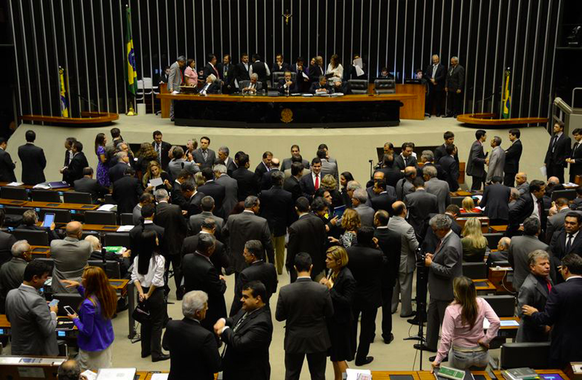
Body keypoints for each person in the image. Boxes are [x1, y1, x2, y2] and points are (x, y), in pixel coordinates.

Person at [276, 252, 334, 380]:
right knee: (318, 375)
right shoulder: (322, 290)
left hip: (294, 339)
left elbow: (279, 317)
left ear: (295, 268)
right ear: (311, 267)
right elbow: (329, 313)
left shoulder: (285, 291)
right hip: (317, 339)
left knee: (292, 374)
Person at [522, 253, 582, 368]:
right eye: (543, 264)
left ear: (565, 270)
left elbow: (547, 318)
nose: (547, 266)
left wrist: (534, 313)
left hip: (565, 345)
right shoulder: (533, 285)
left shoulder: (560, 290)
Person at [416, 214, 463, 354]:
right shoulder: (447, 238)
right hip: (437, 289)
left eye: (434, 230)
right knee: (432, 317)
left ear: (442, 229)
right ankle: (430, 344)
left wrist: (431, 264)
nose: (433, 232)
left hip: (445, 290)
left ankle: (446, 353)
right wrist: (434, 257)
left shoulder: (451, 245)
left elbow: (449, 271)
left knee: (446, 325)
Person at [431, 277, 500, 371]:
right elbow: (496, 321)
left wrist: (438, 360)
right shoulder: (482, 302)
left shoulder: (451, 310)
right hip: (481, 356)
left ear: (456, 293)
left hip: (460, 356)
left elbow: (446, 338)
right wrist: (486, 340)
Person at [214, 281, 273, 380]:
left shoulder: (262, 323)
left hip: (248, 373)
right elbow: (235, 319)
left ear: (257, 299)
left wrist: (224, 330)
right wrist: (223, 320)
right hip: (235, 368)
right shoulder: (247, 309)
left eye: (246, 297)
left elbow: (241, 344)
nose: (241, 300)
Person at [60, 267, 116, 371]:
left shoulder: (88, 305)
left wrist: (75, 319)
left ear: (89, 282)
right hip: (106, 338)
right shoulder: (107, 293)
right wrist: (79, 287)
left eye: (83, 278)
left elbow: (87, 331)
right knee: (106, 369)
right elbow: (92, 296)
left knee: (91, 374)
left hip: (93, 347)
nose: (81, 279)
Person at [163, 290, 221, 380]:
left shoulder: (171, 325)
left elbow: (165, 346)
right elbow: (216, 366)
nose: (207, 309)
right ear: (198, 313)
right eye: (205, 308)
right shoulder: (206, 336)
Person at [346, 227, 384, 366]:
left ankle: (350, 352)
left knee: (351, 325)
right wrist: (377, 246)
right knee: (367, 328)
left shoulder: (349, 251)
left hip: (352, 294)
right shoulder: (376, 254)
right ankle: (361, 357)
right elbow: (384, 262)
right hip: (370, 295)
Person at [6, 260, 58, 355]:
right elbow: (49, 330)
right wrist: (53, 312)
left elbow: (10, 318)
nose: (46, 280)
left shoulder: (11, 294)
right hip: (36, 352)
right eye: (45, 277)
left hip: (17, 349)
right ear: (35, 278)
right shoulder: (37, 301)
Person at [131, 229, 169, 362]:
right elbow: (157, 280)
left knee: (145, 321)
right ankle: (156, 353)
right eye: (156, 238)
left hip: (142, 293)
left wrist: (141, 293)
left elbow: (134, 276)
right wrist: (148, 294)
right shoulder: (159, 259)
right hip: (155, 294)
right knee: (157, 323)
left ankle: (145, 350)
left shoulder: (137, 258)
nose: (158, 240)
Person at [319, 246, 356, 379]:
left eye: (329, 259)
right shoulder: (333, 271)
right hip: (333, 320)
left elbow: (347, 302)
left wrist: (330, 289)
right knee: (334, 356)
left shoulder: (347, 277)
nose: (326, 261)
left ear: (339, 261)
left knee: (339, 357)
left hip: (341, 323)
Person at [154, 189, 187, 298]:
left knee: (162, 269)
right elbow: (183, 225)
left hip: (161, 245)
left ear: (156, 198)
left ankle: (164, 291)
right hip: (175, 243)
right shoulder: (175, 208)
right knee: (178, 268)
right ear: (168, 197)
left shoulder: (154, 210)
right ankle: (179, 292)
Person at [230, 240, 278, 316]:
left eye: (245, 253)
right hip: (265, 309)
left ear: (252, 256)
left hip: (249, 313)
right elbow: (274, 289)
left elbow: (238, 299)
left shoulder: (245, 274)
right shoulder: (271, 267)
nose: (243, 255)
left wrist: (232, 315)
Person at [259, 171, 294, 274]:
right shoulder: (288, 195)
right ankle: (279, 270)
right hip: (281, 225)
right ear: (281, 181)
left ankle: (270, 268)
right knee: (280, 250)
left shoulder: (264, 194)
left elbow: (261, 210)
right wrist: (289, 226)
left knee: (269, 249)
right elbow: (290, 213)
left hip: (268, 226)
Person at [388, 201, 419, 317]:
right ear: (404, 211)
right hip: (405, 259)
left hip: (392, 258)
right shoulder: (407, 227)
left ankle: (392, 307)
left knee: (394, 285)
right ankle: (406, 311)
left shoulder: (389, 222)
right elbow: (414, 246)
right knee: (405, 286)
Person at [287, 197, 327, 282]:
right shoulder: (319, 221)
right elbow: (324, 243)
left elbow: (292, 250)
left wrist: (289, 265)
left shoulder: (294, 227)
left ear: (296, 208)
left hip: (301, 267)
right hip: (317, 264)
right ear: (308, 207)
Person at [516, 250, 553, 343]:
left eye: (548, 263)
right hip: (532, 335)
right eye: (543, 264)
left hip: (548, 333)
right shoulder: (528, 287)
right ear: (532, 267)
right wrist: (543, 327)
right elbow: (522, 313)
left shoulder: (548, 279)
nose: (547, 266)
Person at [50, 221, 92, 294]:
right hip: (80, 287)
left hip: (58, 287)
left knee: (56, 304)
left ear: (65, 232)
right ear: (79, 233)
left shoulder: (54, 244)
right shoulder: (86, 245)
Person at [509, 217, 549, 292]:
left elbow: (511, 260)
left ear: (523, 228)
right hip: (537, 285)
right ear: (539, 230)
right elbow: (547, 270)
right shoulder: (543, 247)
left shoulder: (514, 240)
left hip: (519, 281)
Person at [0, 240, 31, 313]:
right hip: (24, 307)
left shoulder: (4, 266)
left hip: (7, 305)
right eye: (30, 251)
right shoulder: (27, 269)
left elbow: (1, 289)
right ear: (25, 254)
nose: (31, 253)